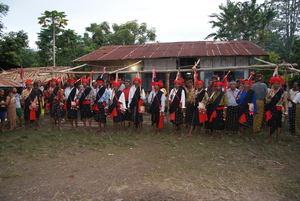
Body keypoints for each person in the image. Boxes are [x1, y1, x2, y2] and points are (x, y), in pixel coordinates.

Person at [265, 77, 288, 143]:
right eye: (274, 83)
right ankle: (269, 137)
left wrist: (286, 112)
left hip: (278, 110)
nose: (276, 85)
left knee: (278, 124)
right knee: (269, 124)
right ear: (272, 84)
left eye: (277, 83)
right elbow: (266, 100)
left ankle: (278, 138)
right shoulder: (269, 91)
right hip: (270, 109)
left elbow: (285, 102)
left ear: (279, 84)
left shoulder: (282, 92)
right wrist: (267, 100)